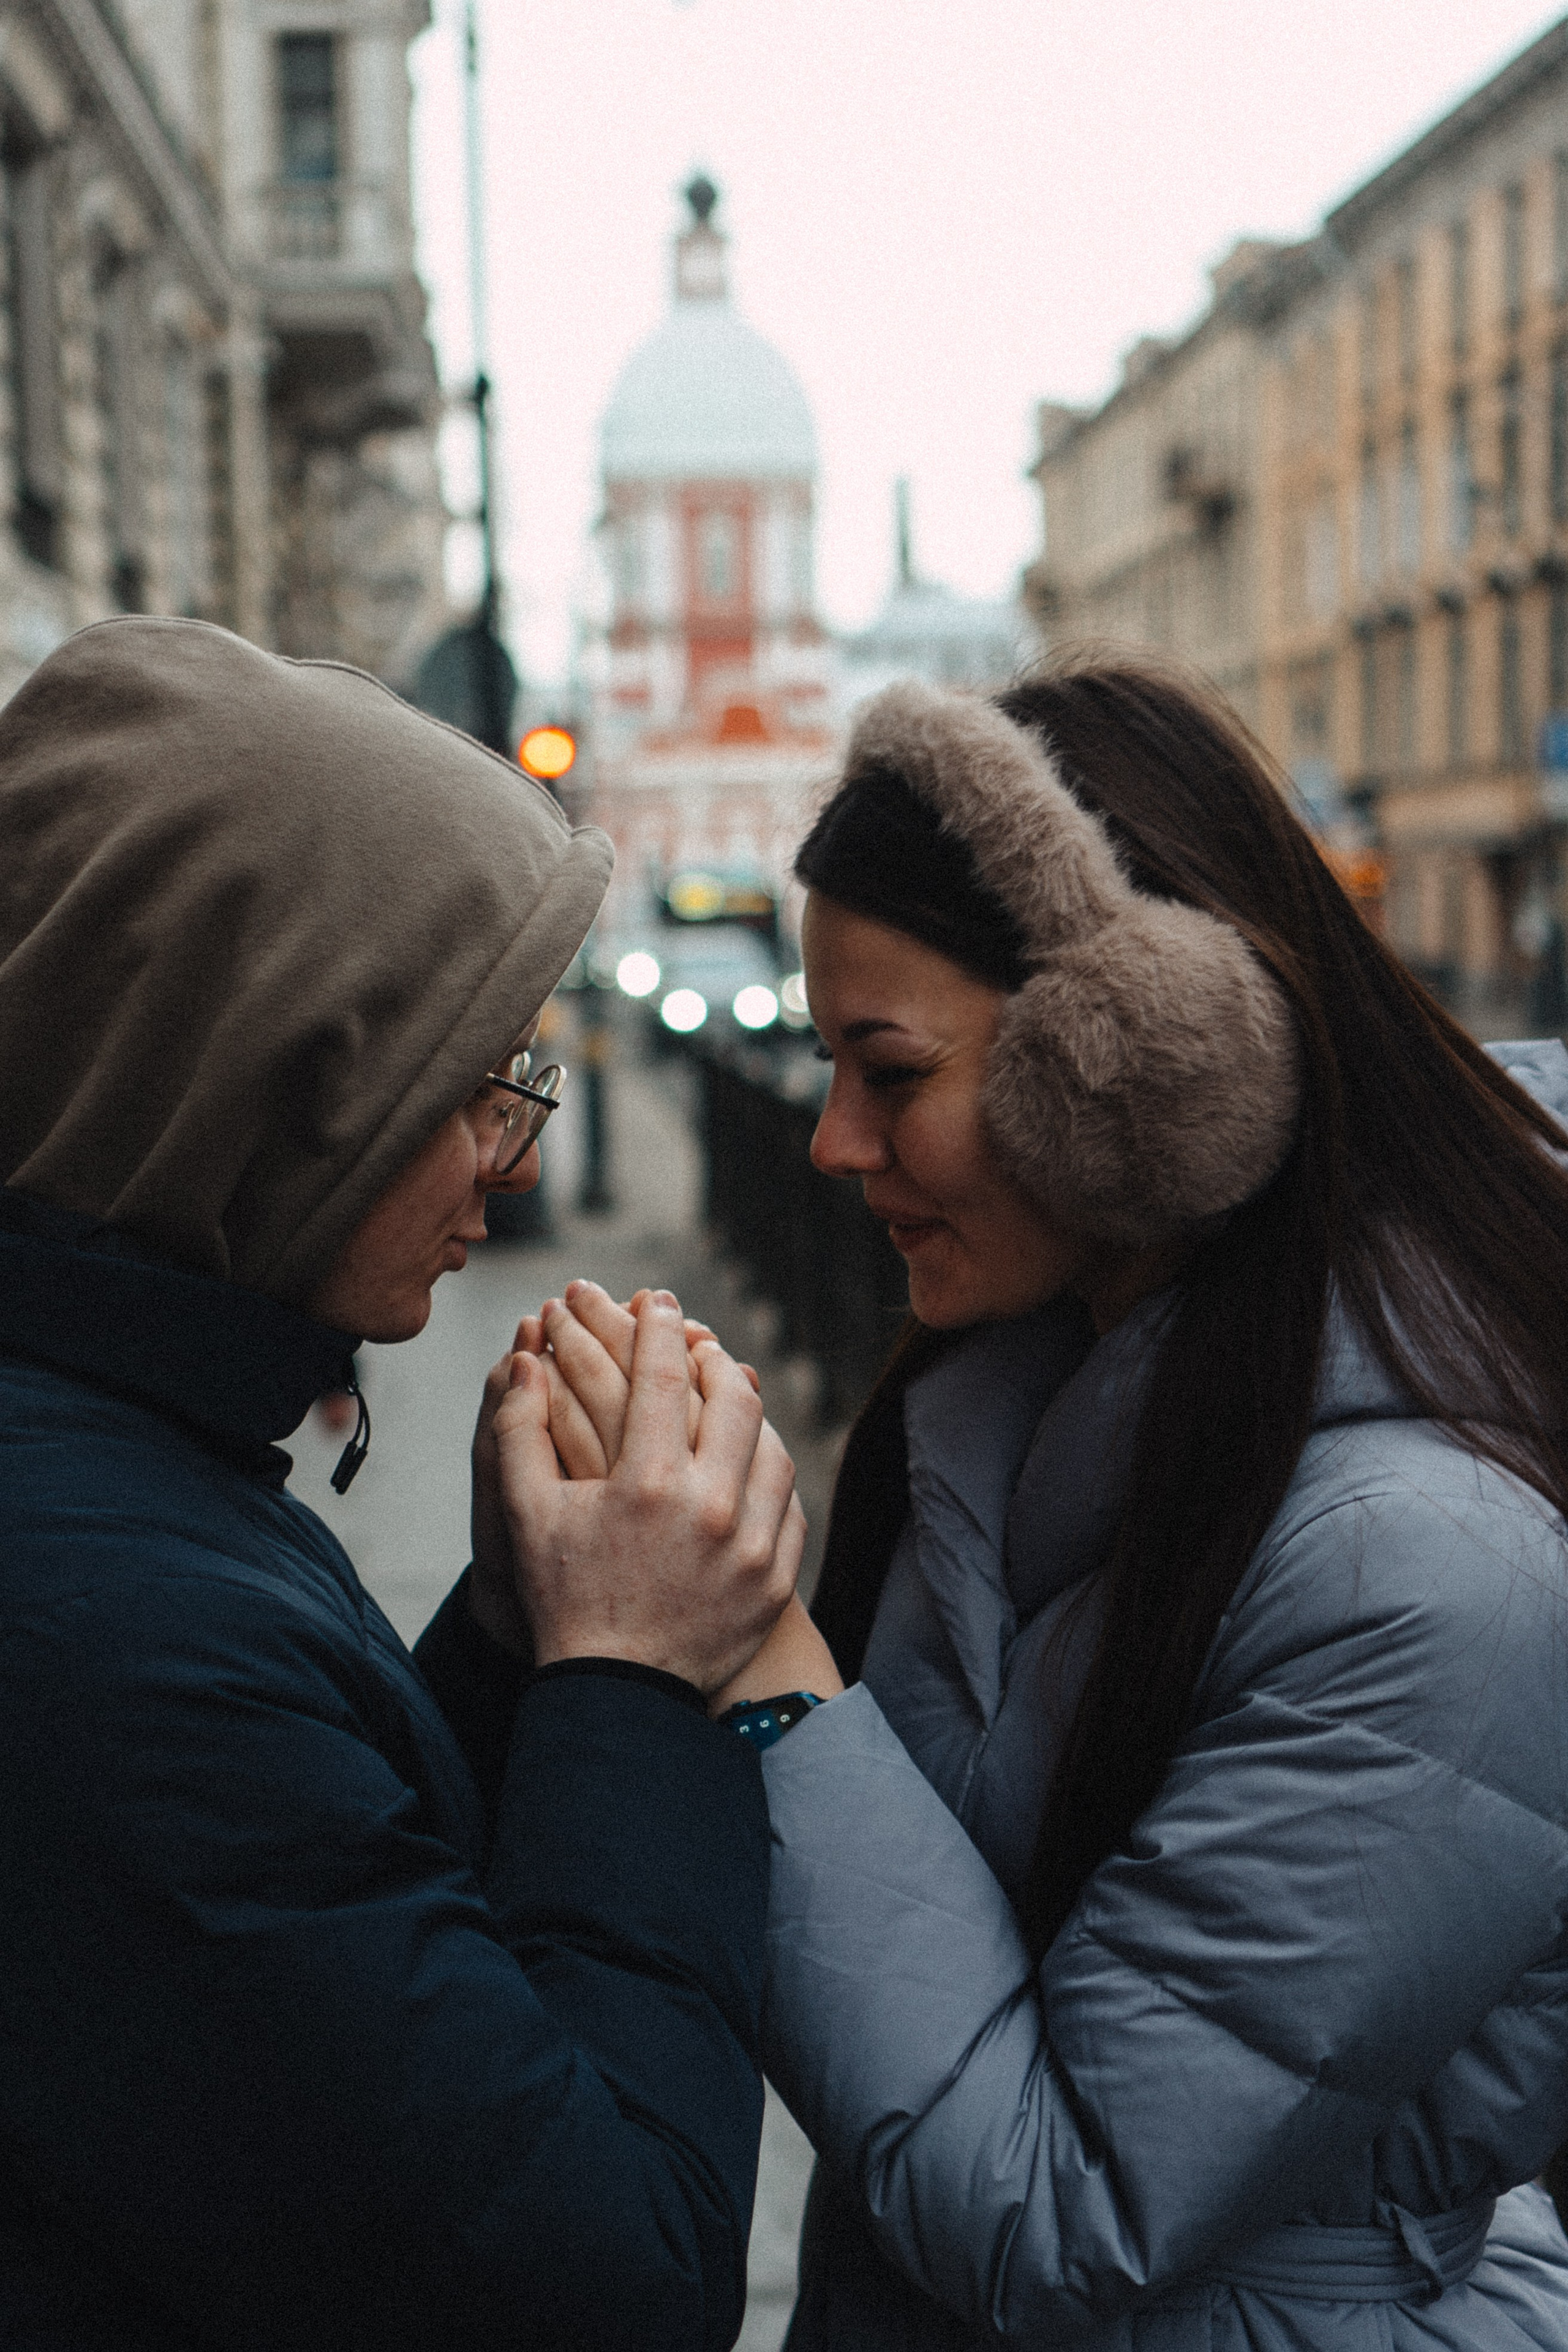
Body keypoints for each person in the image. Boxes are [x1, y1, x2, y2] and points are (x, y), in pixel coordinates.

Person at [526, 663, 1568, 2351]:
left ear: (1133, 1068)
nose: (832, 1144)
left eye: (889, 1070)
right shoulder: (1012, 1405)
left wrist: (754, 1662)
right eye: (824, 1066)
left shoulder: (1435, 1581)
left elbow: (1065, 2209)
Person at [0, 616, 805, 2351]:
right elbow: (608, 2283)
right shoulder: (110, 1625)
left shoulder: (115, 1448)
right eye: (479, 1089)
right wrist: (635, 1676)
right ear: (281, 1087)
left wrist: (516, 1644)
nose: (503, 1172)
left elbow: (326, 1944)